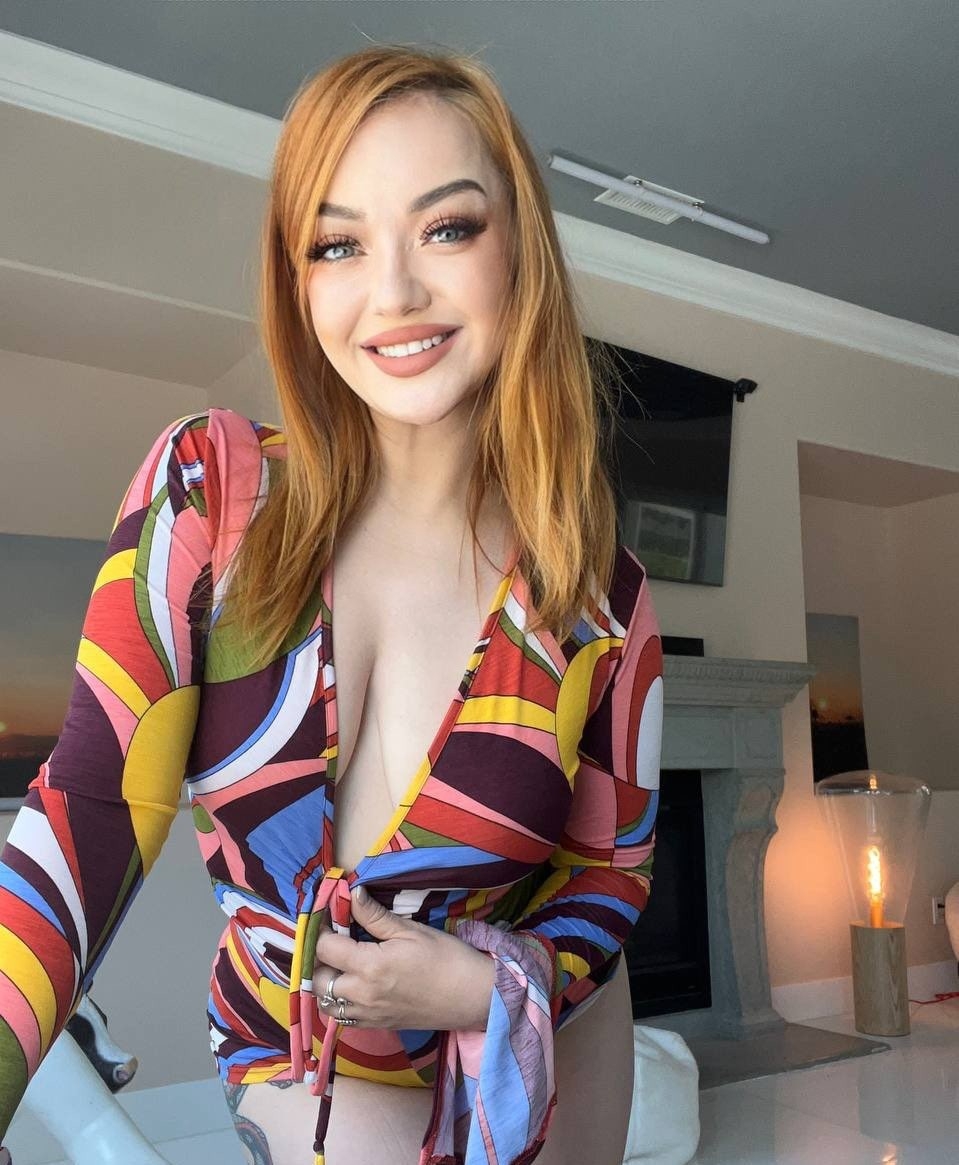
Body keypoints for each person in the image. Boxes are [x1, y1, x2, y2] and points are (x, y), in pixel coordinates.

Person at [0, 43, 663, 1165]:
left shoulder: (602, 596)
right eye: (338, 243)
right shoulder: (209, 492)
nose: (393, 292)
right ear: (297, 279)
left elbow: (611, 870)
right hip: (299, 1057)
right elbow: (92, 805)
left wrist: (487, 985)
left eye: (447, 228)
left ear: (520, 252)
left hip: (541, 1041)